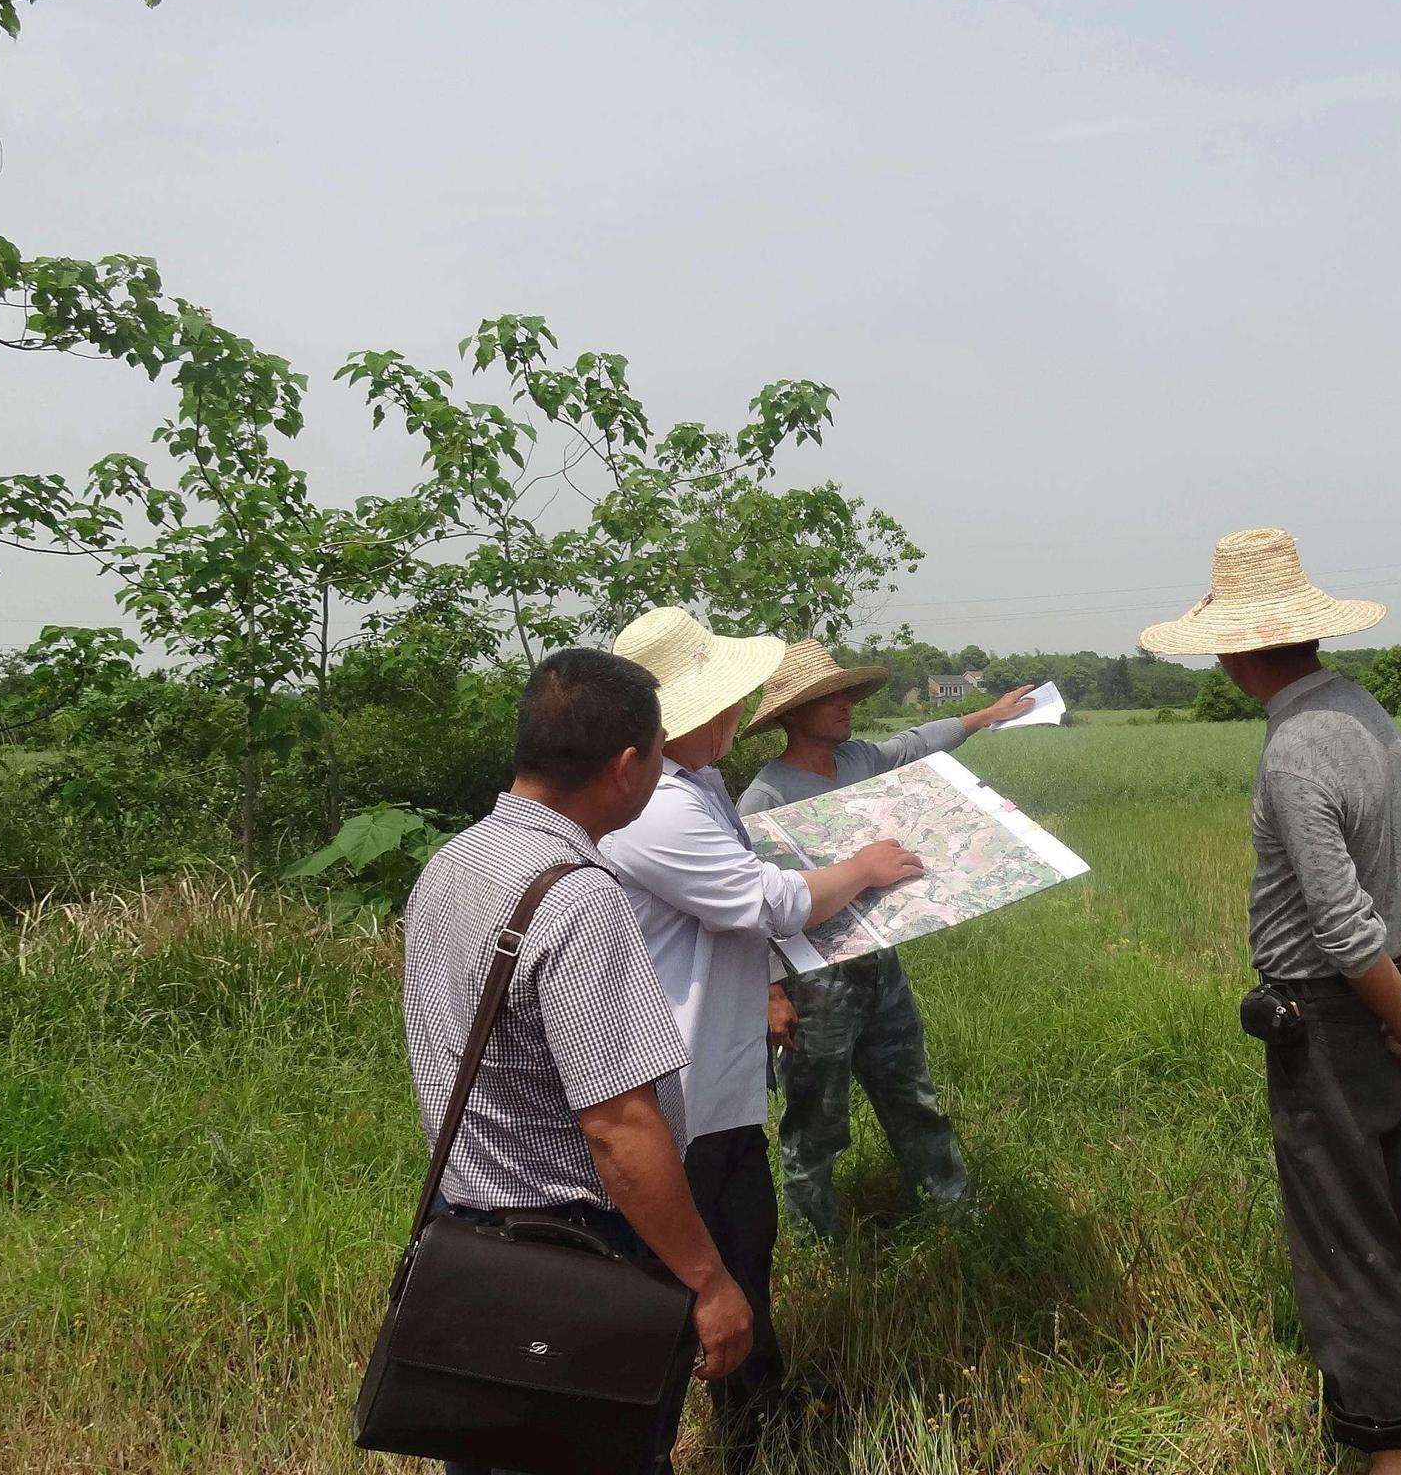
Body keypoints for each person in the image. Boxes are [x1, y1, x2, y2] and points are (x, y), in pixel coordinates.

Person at [1140, 529, 1401, 1475]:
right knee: (1379, 1215)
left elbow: (1338, 927)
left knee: (1346, 1239)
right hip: (1385, 999)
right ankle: (1370, 1412)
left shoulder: (1293, 749)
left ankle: (1394, 1448)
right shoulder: (1369, 713)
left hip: (1328, 1018)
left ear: (1235, 649)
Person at [401, 648, 752, 1475]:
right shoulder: (580, 896)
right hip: (573, 1263)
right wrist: (708, 1282)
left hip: (472, 1244)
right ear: (629, 766)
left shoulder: (455, 863)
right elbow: (618, 1127)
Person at [599, 608, 924, 1471]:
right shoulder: (657, 807)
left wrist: (772, 987)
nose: (736, 717)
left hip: (726, 1078)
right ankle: (679, 1428)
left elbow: (736, 918)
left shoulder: (697, 784)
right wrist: (863, 869)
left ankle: (761, 1416)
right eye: (723, 704)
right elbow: (763, 902)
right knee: (693, 1274)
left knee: (746, 1248)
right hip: (680, 1086)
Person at [735, 640, 1032, 1239]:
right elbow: (748, 907)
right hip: (812, 980)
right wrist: (770, 993)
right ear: (792, 713)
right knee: (815, 1120)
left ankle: (953, 1212)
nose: (844, 704)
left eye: (845, 692)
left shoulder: (861, 761)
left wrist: (986, 716)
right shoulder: (765, 798)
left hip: (880, 964)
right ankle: (817, 1239)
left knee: (913, 1097)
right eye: (827, 697)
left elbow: (920, 743)